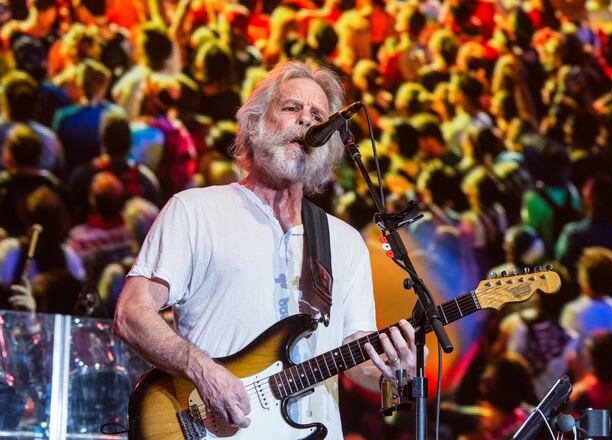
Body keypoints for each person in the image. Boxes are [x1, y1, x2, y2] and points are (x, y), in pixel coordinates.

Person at [113, 60, 422, 437]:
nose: (306, 123)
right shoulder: (196, 210)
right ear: (255, 124)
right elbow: (132, 313)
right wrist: (203, 370)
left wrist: (395, 372)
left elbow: (356, 357)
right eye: (292, 108)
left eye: (317, 115)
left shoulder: (344, 241)